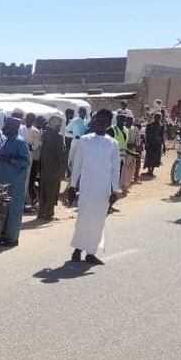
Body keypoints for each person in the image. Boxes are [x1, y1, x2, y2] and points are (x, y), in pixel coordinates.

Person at [67, 109, 121, 265]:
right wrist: (72, 186)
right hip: (86, 186)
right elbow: (77, 164)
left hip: (103, 189)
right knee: (83, 217)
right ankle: (77, 250)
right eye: (97, 120)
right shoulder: (84, 140)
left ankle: (91, 253)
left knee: (98, 220)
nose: (99, 124)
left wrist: (114, 190)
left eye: (103, 122)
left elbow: (115, 168)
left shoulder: (113, 143)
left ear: (108, 124)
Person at [0, 117, 30, 247]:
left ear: (14, 128)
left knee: (14, 210)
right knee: (4, 209)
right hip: (4, 183)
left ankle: (13, 238)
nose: (3, 128)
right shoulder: (7, 141)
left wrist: (9, 159)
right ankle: (5, 235)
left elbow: (25, 162)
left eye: (6, 126)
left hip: (14, 184)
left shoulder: (20, 143)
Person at [37, 114, 66, 221]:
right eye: (59, 122)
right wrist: (63, 168)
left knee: (43, 189)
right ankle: (49, 213)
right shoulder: (57, 136)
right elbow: (60, 154)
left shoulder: (44, 134)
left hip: (44, 166)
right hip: (54, 167)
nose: (60, 125)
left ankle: (41, 212)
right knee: (52, 189)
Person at [121, 116, 140, 194]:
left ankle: (126, 186)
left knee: (131, 169)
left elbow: (138, 140)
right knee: (124, 169)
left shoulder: (135, 129)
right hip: (124, 151)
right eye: (128, 120)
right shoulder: (123, 129)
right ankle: (123, 186)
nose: (129, 122)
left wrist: (135, 147)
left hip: (133, 151)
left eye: (131, 121)